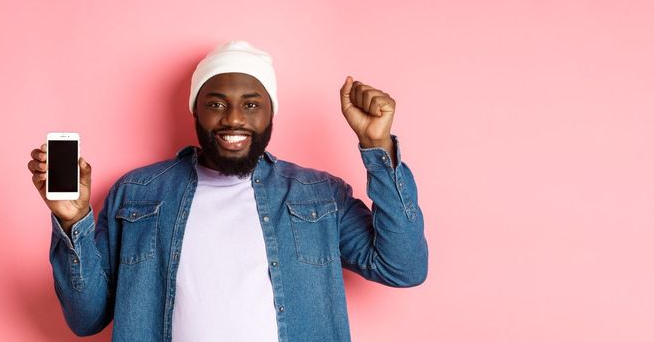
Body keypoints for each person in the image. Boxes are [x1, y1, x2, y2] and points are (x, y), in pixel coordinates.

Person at [27, 40, 428, 341]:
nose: (233, 118)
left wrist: (378, 148)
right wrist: (73, 219)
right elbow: (85, 319)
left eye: (251, 104)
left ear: (271, 111)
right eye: (216, 104)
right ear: (195, 110)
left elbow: (403, 266)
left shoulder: (318, 195)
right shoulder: (137, 193)